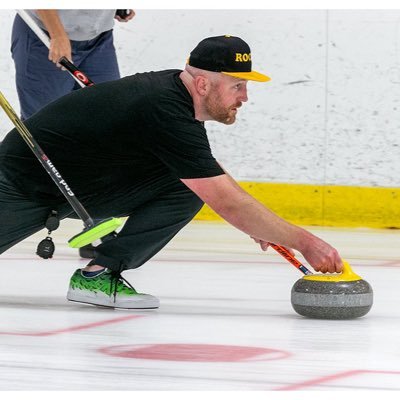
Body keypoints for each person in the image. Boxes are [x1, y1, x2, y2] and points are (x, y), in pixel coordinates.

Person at [0, 35, 343, 310]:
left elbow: (209, 173)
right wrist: (304, 242)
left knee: (186, 186)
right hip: (17, 187)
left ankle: (99, 274)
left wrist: (260, 223)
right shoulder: (164, 108)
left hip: (78, 190)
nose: (245, 97)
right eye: (237, 85)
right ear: (204, 85)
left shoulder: (176, 98)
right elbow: (226, 201)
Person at [11, 9, 135, 258]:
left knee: (107, 127)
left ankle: (100, 222)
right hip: (43, 35)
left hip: (98, 37)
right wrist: (58, 34)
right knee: (45, 135)